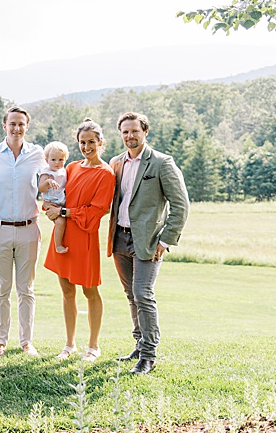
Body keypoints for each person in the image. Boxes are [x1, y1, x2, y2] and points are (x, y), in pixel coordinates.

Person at [108, 112, 189, 374]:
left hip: (149, 241)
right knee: (131, 295)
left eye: (134, 131)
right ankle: (139, 344)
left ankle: (149, 355)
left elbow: (181, 205)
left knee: (143, 294)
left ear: (145, 132)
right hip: (119, 237)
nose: (130, 136)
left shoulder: (162, 163)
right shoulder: (116, 163)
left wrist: (166, 241)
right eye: (125, 132)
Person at [43, 120, 115, 362]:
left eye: (91, 142)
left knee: (90, 290)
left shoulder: (105, 174)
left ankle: (93, 346)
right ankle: (69, 344)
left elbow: (96, 211)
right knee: (66, 290)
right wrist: (51, 208)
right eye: (82, 142)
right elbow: (58, 196)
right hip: (63, 236)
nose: (86, 147)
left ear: (100, 143)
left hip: (84, 237)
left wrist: (64, 213)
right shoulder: (71, 167)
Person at [0, 105, 45, 357]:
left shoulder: (37, 154)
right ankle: (0, 342)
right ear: (4, 126)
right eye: (12, 123)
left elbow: (46, 183)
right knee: (2, 288)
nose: (16, 128)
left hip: (29, 229)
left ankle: (26, 342)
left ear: (27, 126)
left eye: (21, 124)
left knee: (26, 288)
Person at [39, 141, 70, 254]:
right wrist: (48, 182)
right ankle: (58, 246)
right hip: (52, 203)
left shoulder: (63, 171)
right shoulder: (47, 173)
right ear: (47, 160)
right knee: (61, 223)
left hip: (62, 202)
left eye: (61, 159)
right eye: (53, 160)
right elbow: (41, 188)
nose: (57, 163)